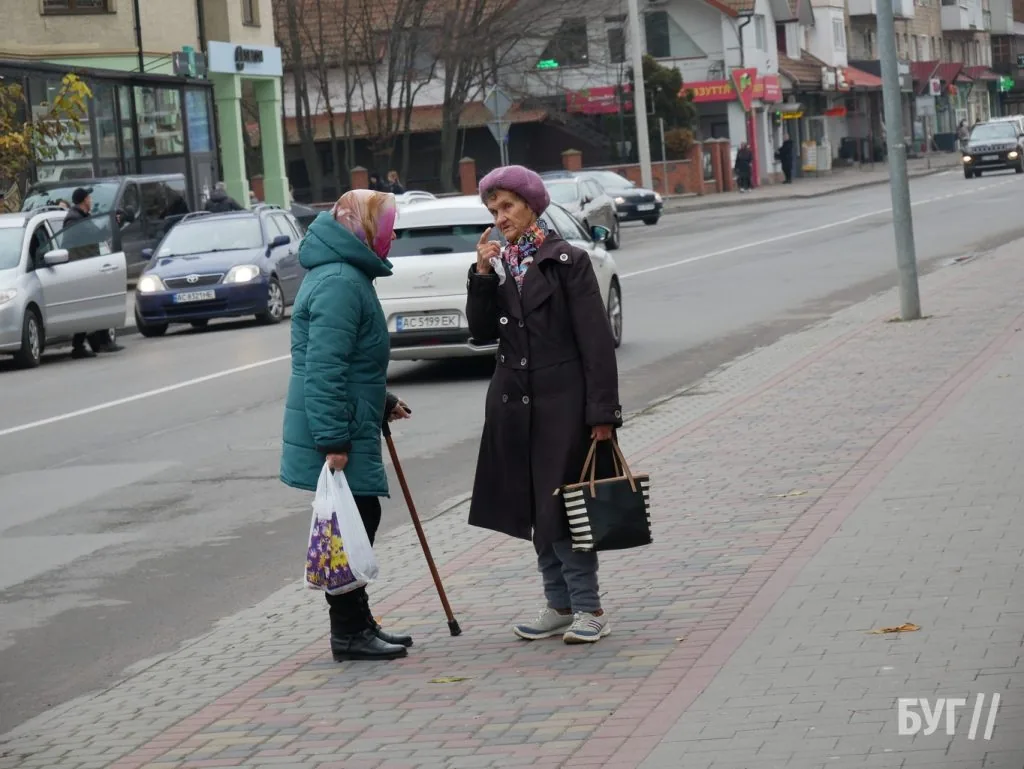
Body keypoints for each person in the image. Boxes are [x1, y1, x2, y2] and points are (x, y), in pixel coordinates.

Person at [466, 165, 622, 645]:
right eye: (494, 209)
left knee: (568, 508)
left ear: (532, 205)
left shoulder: (566, 260)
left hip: (563, 403)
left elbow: (596, 342)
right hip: (515, 406)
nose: (501, 216)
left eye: (508, 206)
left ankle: (589, 607)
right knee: (536, 507)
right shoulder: (501, 262)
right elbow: (481, 332)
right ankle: (557, 603)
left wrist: (602, 414)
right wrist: (481, 274)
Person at [280, 189, 413, 662]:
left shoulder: (348, 273)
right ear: (362, 225)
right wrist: (333, 439)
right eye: (387, 224)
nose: (392, 233)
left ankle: (358, 622)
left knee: (357, 520)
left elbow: (353, 363)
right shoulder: (339, 280)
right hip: (339, 428)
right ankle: (348, 633)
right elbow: (324, 368)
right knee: (352, 523)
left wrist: (383, 401)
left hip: (352, 417)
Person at [63, 188, 124, 358]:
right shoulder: (74, 220)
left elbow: (96, 235)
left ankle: (100, 342)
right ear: (84, 200)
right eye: (89, 197)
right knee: (87, 306)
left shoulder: (82, 217)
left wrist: (114, 223)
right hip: (81, 268)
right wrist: (113, 224)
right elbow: (95, 235)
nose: (91, 200)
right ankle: (80, 346)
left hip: (88, 266)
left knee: (96, 304)